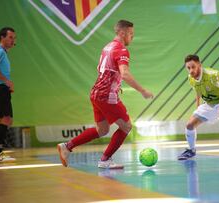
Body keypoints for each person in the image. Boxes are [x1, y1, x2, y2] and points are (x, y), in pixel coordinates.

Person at [57, 20, 154, 169]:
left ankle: (67, 146)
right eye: (131, 34)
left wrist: (115, 84)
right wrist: (143, 91)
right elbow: (125, 74)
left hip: (96, 93)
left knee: (102, 130)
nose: (132, 37)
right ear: (122, 33)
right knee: (126, 127)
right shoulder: (121, 50)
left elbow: (103, 70)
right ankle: (105, 159)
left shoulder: (107, 47)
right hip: (107, 96)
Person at [178, 54, 219, 160]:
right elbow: (198, 91)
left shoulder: (212, 75)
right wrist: (198, 106)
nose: (191, 70)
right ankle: (191, 150)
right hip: (210, 103)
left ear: (199, 65)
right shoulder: (191, 78)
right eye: (188, 68)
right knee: (189, 125)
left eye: (193, 67)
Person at [0, 27, 16, 163]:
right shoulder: (0, 52)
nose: (13, 40)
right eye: (10, 37)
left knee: (5, 119)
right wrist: (6, 82)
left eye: (14, 38)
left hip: (3, 89)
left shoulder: (3, 53)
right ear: (2, 37)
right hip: (0, 89)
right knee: (6, 119)